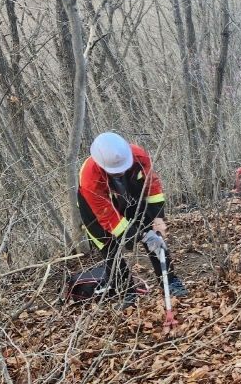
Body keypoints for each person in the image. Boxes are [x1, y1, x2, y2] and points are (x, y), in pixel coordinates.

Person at [78, 132, 189, 309]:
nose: (120, 171)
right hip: (97, 209)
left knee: (156, 239)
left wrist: (158, 218)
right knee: (108, 248)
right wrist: (141, 236)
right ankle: (127, 292)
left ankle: (170, 281)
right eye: (116, 170)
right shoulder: (90, 178)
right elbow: (109, 217)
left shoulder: (138, 155)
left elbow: (152, 185)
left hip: (130, 197)